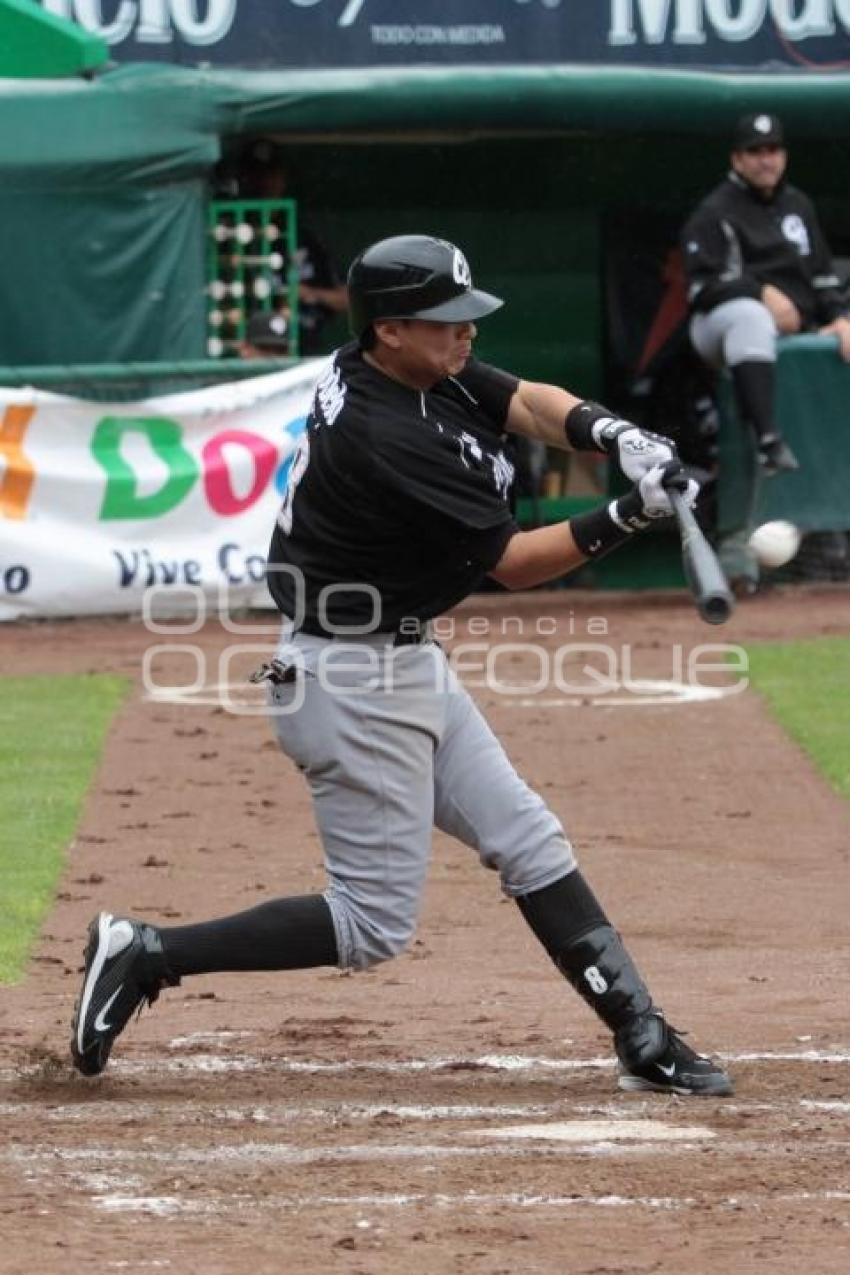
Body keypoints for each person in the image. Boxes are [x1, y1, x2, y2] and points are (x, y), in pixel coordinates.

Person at [70, 235, 732, 1098]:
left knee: (528, 839)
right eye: (445, 322)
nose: (466, 337)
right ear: (389, 330)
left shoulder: (406, 367)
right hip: (349, 680)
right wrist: (628, 511)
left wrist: (612, 432)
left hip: (398, 657)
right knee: (370, 924)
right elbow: (515, 563)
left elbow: (525, 402)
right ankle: (150, 951)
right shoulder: (387, 435)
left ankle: (642, 1035)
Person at [681, 111, 850, 476]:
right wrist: (758, 291)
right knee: (750, 314)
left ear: (784, 155)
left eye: (773, 149)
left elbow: (822, 275)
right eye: (755, 151)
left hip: (796, 324)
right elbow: (700, 290)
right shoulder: (714, 210)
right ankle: (767, 440)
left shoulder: (798, 205)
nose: (766, 159)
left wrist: (840, 317)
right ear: (737, 159)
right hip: (718, 327)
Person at [238, 139, 349, 356]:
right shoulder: (236, 233)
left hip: (303, 350)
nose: (265, 184)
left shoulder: (304, 238)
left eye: (271, 175)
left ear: (283, 179)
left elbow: (347, 299)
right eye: (257, 176)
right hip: (252, 352)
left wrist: (310, 293)